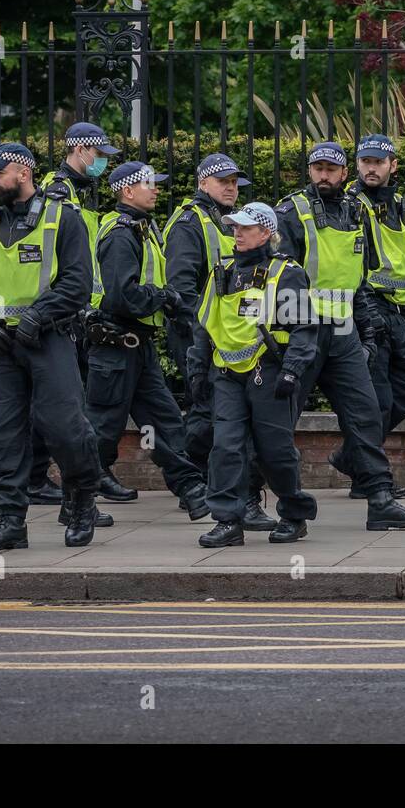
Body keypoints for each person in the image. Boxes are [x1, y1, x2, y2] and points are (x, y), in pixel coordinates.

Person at [276, 142, 405, 531]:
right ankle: (253, 501)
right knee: (277, 420)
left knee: (365, 415)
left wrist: (369, 331)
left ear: (344, 173)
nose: (324, 175)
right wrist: (294, 335)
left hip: (344, 332)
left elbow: (358, 280)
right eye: (318, 169)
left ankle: (379, 499)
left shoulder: (354, 211)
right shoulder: (291, 211)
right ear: (309, 172)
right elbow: (278, 278)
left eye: (332, 169)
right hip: (305, 332)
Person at [0, 142, 106, 549]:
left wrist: (36, 317)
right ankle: (8, 519)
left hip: (49, 340)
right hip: (0, 345)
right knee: (2, 434)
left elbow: (77, 284)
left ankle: (80, 502)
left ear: (23, 174)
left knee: (64, 428)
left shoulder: (63, 218)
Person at [86, 160, 212, 519]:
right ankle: (77, 500)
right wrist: (165, 297)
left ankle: (191, 489)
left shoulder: (141, 229)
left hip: (137, 346)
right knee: (103, 430)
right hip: (113, 347)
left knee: (164, 421)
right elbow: (121, 296)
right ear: (127, 190)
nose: (156, 189)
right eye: (149, 184)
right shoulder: (121, 234)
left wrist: (163, 298)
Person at [192, 202, 319, 546]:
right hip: (228, 374)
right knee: (226, 448)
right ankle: (228, 521)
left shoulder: (285, 272)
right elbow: (205, 324)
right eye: (235, 228)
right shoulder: (223, 270)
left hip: (270, 372)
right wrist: (197, 367)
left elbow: (305, 327)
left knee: (274, 451)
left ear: (266, 232)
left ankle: (294, 512)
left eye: (246, 228)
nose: (238, 233)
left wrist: (292, 371)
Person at [164, 153, 276, 531]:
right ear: (202, 183)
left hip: (231, 339)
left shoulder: (226, 221)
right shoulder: (188, 223)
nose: (231, 187)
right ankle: (213, 489)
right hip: (203, 337)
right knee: (212, 417)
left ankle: (213, 488)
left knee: (221, 420)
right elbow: (181, 290)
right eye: (222, 180)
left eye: (234, 181)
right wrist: (209, 335)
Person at [40, 120, 134, 503]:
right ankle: (66, 480)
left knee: (72, 404)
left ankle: (84, 475)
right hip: (60, 311)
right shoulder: (59, 191)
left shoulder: (80, 191)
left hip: (80, 312)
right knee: (64, 405)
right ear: (80, 150)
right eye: (98, 155)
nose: (103, 164)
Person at [344, 134, 405, 497]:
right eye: (364, 162)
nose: (370, 168)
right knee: (378, 399)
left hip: (397, 307)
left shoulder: (399, 202)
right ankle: (366, 479)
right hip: (369, 305)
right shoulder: (350, 203)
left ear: (393, 165)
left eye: (378, 162)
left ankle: (350, 456)